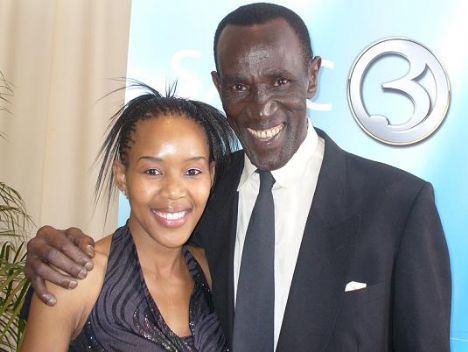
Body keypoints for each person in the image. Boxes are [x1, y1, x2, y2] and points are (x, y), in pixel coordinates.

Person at [23, 3, 451, 351]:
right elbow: (128, 273)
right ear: (218, 85)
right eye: (239, 86)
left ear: (314, 76)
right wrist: (53, 255)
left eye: (279, 80)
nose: (261, 106)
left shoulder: (397, 204)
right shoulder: (202, 190)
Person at [21, 84, 236, 351]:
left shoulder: (212, 272)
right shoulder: (74, 279)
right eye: (152, 171)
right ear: (122, 175)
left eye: (192, 171)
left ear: (211, 175)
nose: (173, 191)